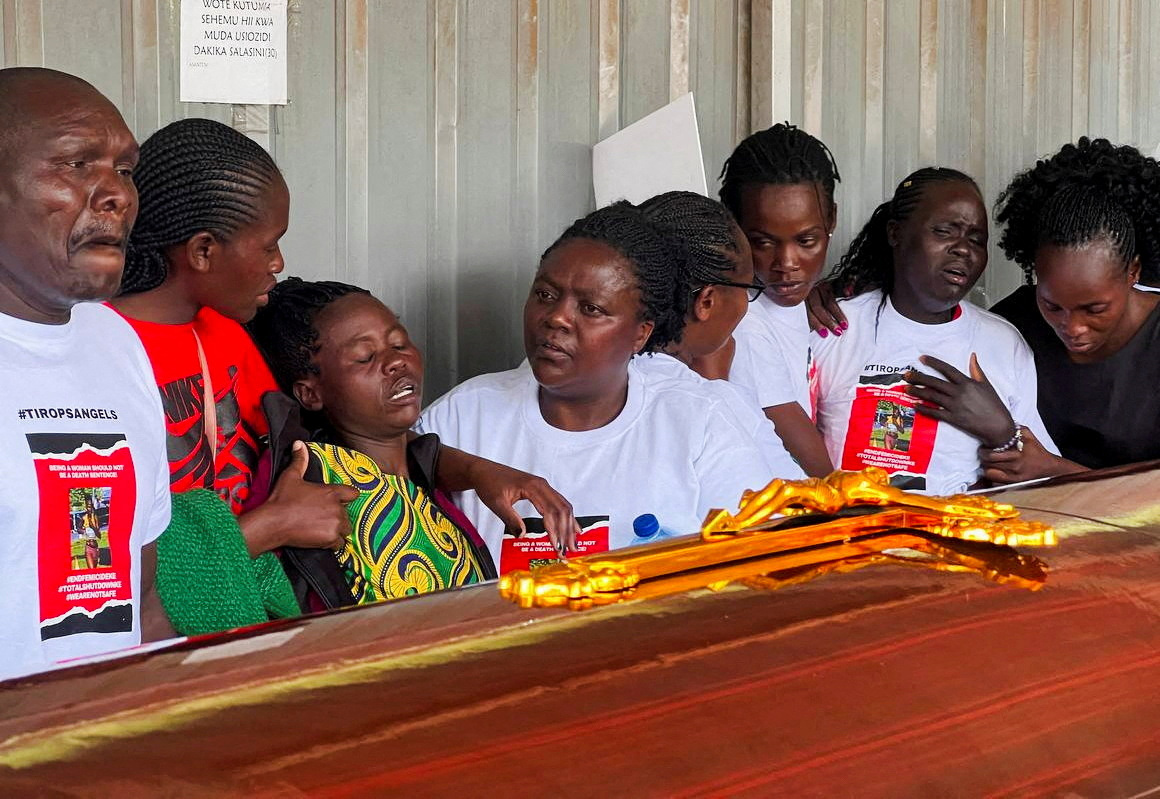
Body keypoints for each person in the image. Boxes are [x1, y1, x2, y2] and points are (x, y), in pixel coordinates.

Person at [111, 118, 576, 569]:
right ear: (204, 251)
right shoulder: (100, 353)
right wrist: (270, 527)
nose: (279, 263)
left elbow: (341, 446)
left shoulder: (226, 336)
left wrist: (477, 473)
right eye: (269, 245)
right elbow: (98, 562)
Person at [418, 202, 773, 573]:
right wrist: (474, 470)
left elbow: (760, 573)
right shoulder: (461, 419)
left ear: (641, 333)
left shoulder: (698, 425)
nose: (556, 318)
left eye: (591, 309)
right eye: (545, 295)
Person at [0, 67, 172, 680]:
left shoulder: (117, 342)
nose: (118, 196)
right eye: (76, 165)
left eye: (124, 170)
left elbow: (140, 598)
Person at [249, 277, 496, 606]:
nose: (396, 361)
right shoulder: (307, 474)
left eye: (399, 343)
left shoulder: (429, 483)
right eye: (365, 357)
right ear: (310, 393)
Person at [813, 167, 1057, 495]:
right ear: (896, 233)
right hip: (845, 534)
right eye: (945, 231)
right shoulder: (834, 326)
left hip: (959, 536)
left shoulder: (1003, 343)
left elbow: (1043, 483)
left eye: (977, 239)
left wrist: (1001, 430)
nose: (963, 249)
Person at [989, 137, 1160, 473]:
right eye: (1053, 306)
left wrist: (1055, 470)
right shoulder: (1012, 325)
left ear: (1133, 271)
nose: (1072, 327)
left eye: (1094, 309)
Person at [635, 190, 804, 479]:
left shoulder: (580, 373)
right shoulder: (716, 405)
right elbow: (797, 504)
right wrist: (716, 386)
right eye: (749, 288)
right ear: (706, 302)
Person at [717, 123, 841, 475]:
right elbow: (790, 427)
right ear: (733, 224)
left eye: (806, 242)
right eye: (763, 242)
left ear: (831, 219)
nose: (786, 264)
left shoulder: (800, 302)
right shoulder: (743, 318)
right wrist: (843, 501)